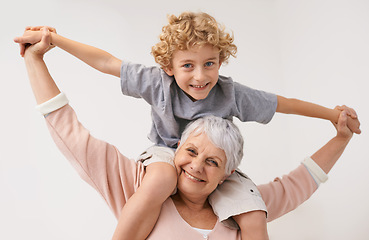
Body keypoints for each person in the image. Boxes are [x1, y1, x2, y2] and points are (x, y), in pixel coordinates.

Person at [15, 12, 361, 240]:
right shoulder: (155, 91)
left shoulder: (230, 98)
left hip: (221, 160)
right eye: (188, 66)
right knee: (164, 176)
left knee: (255, 212)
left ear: (221, 62)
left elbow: (282, 106)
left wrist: (333, 118)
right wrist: (52, 41)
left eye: (209, 64)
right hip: (163, 155)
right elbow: (106, 64)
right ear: (168, 66)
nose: (200, 77)